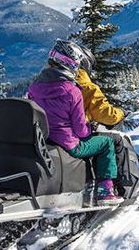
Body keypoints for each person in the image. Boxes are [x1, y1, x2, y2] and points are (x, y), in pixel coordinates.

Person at [28, 39, 123, 206]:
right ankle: (105, 191)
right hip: (69, 144)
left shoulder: (34, 87)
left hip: (44, 140)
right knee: (106, 144)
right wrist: (90, 128)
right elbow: (80, 130)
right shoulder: (73, 91)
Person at [74, 46, 131, 189]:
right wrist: (121, 113)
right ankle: (114, 186)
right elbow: (106, 115)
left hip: (53, 135)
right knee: (113, 141)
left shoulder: (49, 84)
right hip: (74, 136)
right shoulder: (87, 87)